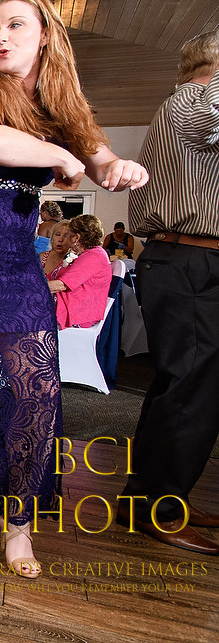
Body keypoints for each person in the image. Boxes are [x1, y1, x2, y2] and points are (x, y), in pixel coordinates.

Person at [0, 0, 148, 577]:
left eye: (16, 25)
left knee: (37, 387)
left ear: (45, 35)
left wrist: (117, 166)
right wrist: (61, 156)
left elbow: (100, 160)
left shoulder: (62, 109)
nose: (0, 37)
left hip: (17, 256)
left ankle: (18, 522)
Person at [120, 28, 219, 555]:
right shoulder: (194, 99)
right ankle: (156, 506)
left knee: (182, 387)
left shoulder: (192, 103)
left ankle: (151, 497)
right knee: (192, 389)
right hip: (190, 260)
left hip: (190, 260)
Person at [47, 215, 111, 329]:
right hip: (66, 305)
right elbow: (51, 277)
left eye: (69, 235)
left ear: (77, 237)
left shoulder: (95, 256)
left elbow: (62, 285)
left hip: (77, 312)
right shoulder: (84, 254)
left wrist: (31, 287)